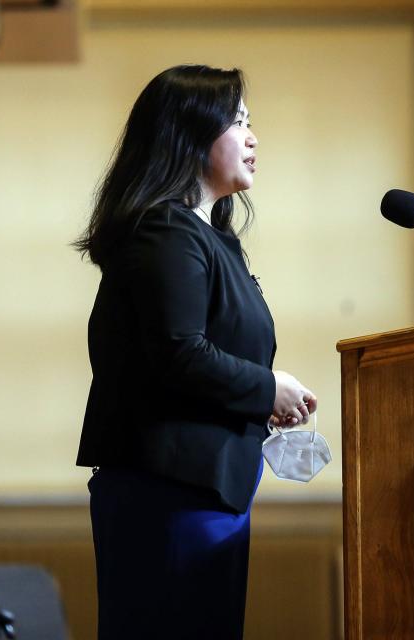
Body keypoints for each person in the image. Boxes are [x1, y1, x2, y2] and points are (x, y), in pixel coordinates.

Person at [74, 64, 318, 640]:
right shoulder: (166, 230)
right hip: (170, 494)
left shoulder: (210, 238)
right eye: (237, 123)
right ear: (188, 136)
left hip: (204, 489)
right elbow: (179, 353)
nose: (253, 137)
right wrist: (267, 387)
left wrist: (261, 398)